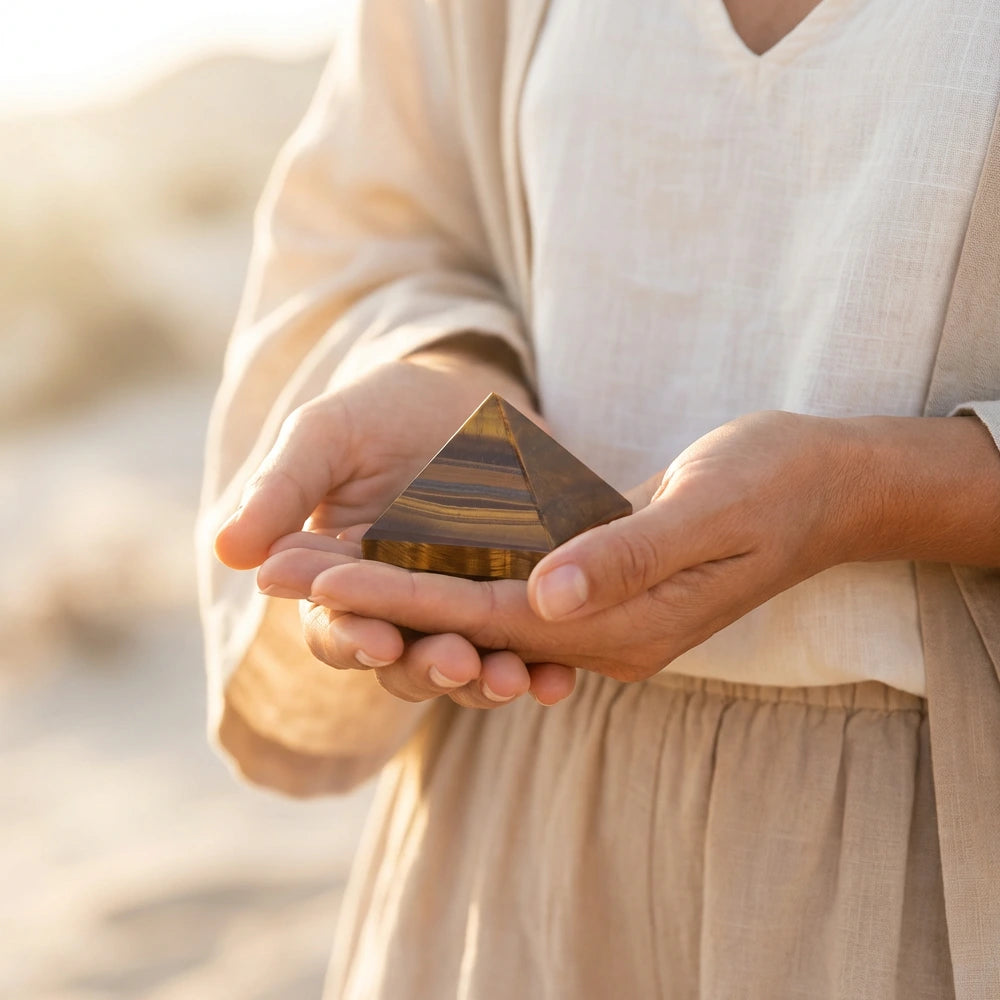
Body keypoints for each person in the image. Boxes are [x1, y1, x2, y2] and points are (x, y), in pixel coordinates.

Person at [198, 1, 1000, 996]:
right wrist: (448, 371)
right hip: (516, 819)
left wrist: (876, 491)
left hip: (936, 850)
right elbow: (373, 227)